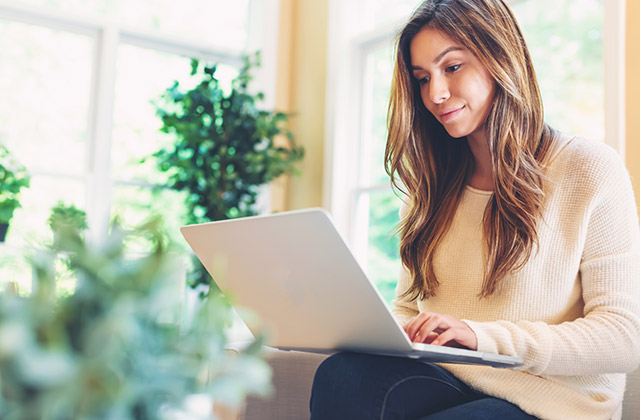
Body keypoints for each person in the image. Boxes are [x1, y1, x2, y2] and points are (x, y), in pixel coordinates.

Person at [309, 0, 640, 419]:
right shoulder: (430, 189)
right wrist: (379, 331)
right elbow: (410, 309)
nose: (435, 94)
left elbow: (623, 337)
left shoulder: (588, 169)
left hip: (549, 400)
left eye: (452, 67)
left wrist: (481, 336)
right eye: (422, 77)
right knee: (341, 375)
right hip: (446, 378)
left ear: (499, 56)